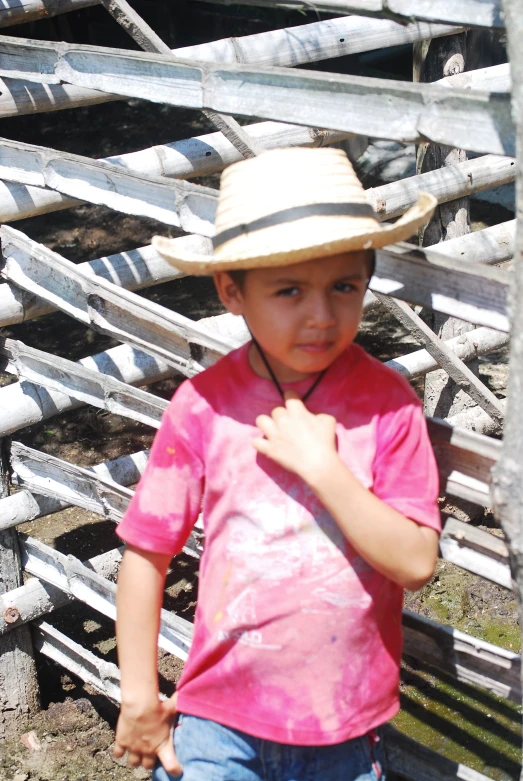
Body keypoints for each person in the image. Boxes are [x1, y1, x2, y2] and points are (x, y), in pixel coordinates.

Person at [113, 147, 441, 781]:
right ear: (231, 290)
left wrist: (326, 471)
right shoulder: (203, 406)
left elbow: (415, 562)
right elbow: (146, 555)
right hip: (219, 724)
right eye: (289, 291)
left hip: (343, 729)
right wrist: (138, 697)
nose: (321, 316)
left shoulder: (387, 407)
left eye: (344, 287)